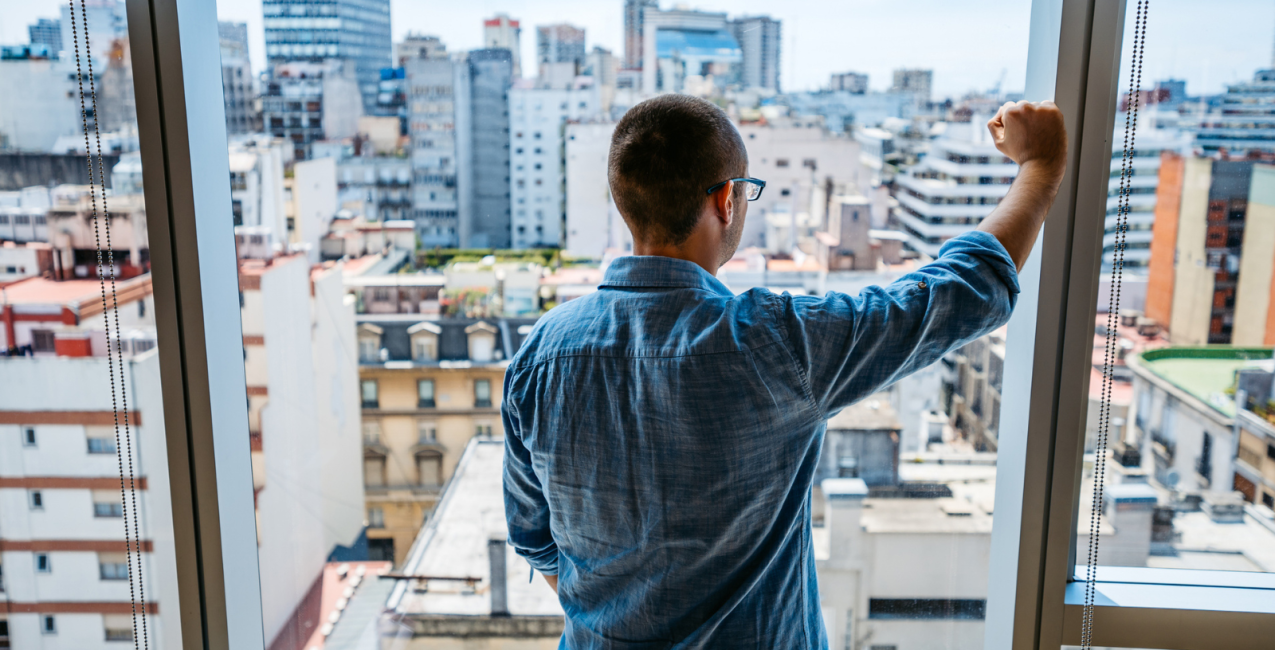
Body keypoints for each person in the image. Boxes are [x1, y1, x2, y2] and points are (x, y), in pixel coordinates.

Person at [502, 94, 1067, 648]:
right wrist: (1040, 167)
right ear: (726, 200)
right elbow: (955, 294)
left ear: (626, 202)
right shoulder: (776, 341)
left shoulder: (539, 356)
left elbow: (535, 538)